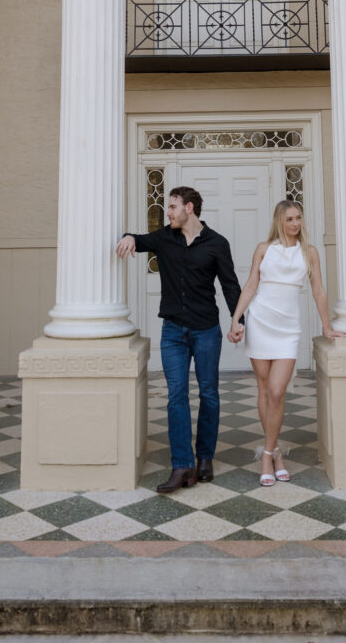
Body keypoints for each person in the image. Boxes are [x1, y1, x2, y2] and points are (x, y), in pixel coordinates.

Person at [116, 186, 241, 493]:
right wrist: (129, 237)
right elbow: (139, 240)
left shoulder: (217, 243)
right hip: (173, 331)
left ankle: (205, 458)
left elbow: (230, 285)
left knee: (209, 394)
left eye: (172, 207)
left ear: (189, 208)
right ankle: (182, 465)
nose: (168, 212)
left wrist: (239, 320)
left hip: (206, 330)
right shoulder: (164, 237)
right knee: (176, 396)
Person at [227, 200, 346, 486]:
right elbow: (251, 286)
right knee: (264, 388)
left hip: (287, 329)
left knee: (277, 391)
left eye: (298, 218)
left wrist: (326, 325)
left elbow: (318, 291)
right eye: (290, 219)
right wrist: (236, 319)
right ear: (279, 221)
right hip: (260, 322)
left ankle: (267, 452)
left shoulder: (309, 252)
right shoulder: (264, 249)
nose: (295, 223)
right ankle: (275, 453)